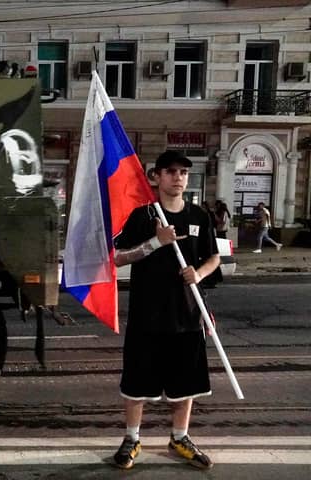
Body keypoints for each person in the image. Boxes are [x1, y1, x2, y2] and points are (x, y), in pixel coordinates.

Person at [112, 150, 220, 470]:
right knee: (137, 382)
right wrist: (155, 243)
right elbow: (119, 257)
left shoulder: (200, 216)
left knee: (186, 382)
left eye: (183, 172)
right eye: (170, 172)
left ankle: (180, 437)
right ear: (156, 177)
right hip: (147, 314)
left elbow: (213, 257)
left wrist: (198, 274)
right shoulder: (143, 216)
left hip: (187, 315)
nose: (178, 178)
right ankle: (132, 438)